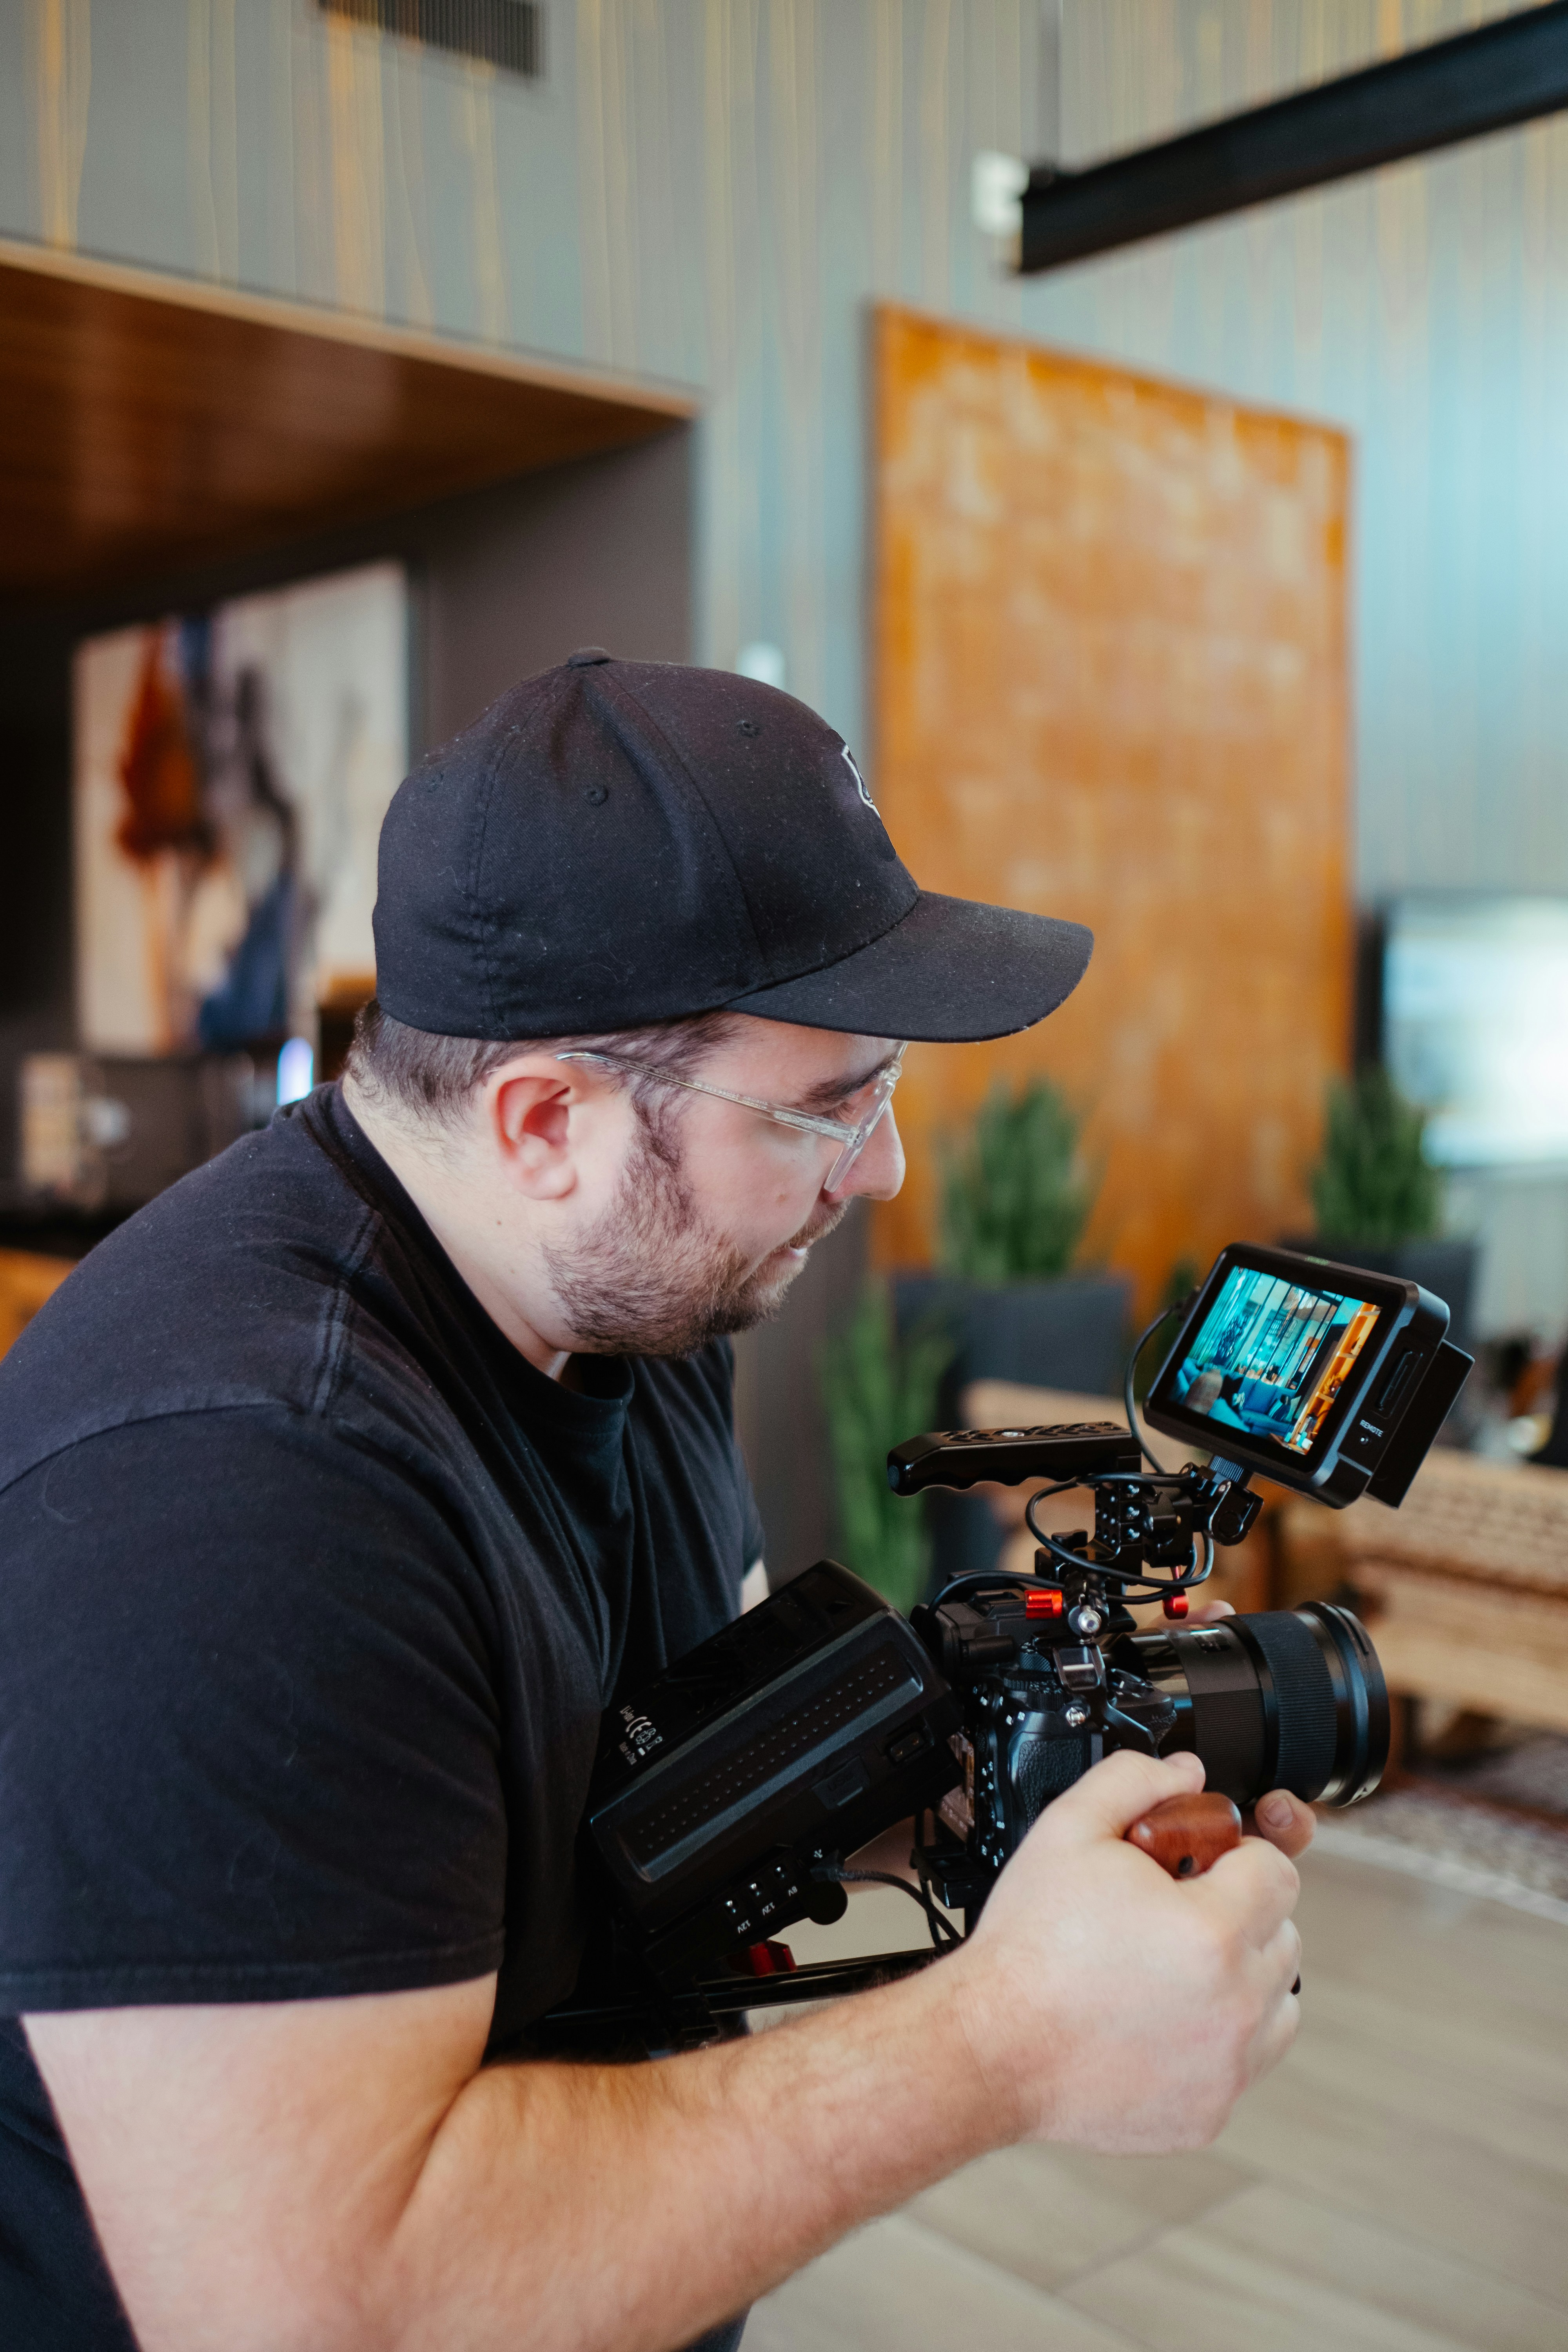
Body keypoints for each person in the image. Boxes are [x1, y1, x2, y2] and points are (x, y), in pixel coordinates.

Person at [0, 650, 1311, 2352]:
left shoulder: (639, 1280)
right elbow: (324, 2313)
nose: (884, 1173)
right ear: (549, 1122)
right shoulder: (236, 1492)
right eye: (829, 1110)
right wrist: (1005, 2039)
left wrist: (1006, 1783)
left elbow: (621, 1790)